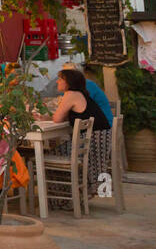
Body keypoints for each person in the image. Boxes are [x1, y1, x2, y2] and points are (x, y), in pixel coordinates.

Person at [41, 68, 111, 198]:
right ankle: (77, 194)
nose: (57, 82)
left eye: (60, 79)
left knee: (42, 157)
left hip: (93, 140)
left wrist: (50, 117)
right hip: (100, 136)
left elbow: (57, 119)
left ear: (68, 82)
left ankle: (64, 198)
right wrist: (46, 118)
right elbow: (62, 117)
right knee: (54, 150)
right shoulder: (80, 93)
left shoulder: (70, 94)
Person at [62, 62, 114, 127]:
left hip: (103, 125)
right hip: (90, 123)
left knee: (64, 135)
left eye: (68, 74)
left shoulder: (87, 85)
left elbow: (79, 107)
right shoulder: (72, 88)